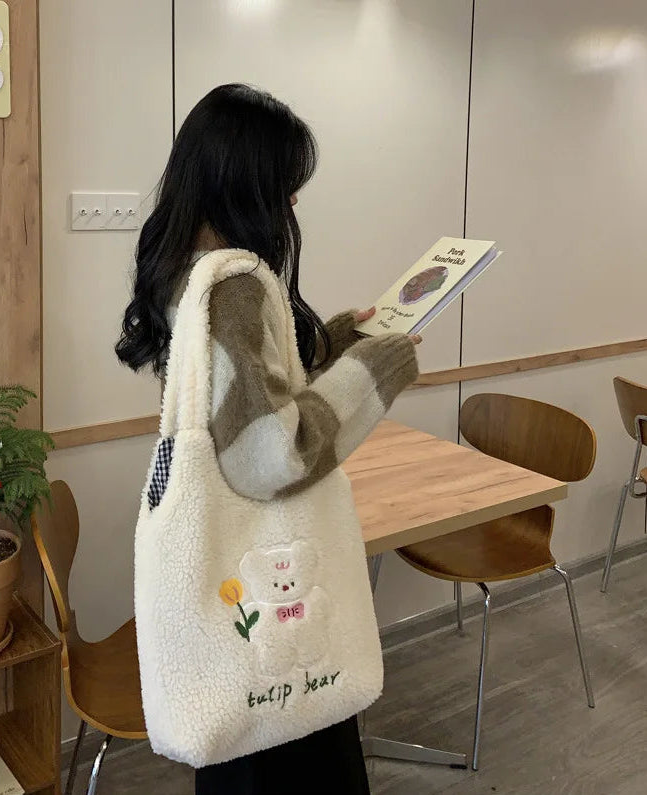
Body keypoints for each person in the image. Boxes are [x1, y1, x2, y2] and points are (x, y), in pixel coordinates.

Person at [116, 83, 420, 795]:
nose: (290, 207)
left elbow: (243, 398)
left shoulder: (184, 270)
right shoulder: (236, 285)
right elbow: (268, 454)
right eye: (284, 188)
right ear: (247, 183)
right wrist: (374, 372)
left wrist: (336, 342)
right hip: (275, 620)